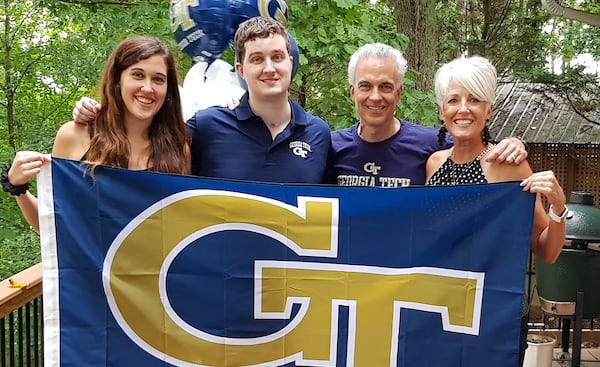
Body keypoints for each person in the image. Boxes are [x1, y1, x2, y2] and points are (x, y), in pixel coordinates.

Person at [425, 55, 566, 365]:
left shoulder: (506, 165)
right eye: (453, 100)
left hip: (494, 313)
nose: (463, 108)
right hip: (442, 306)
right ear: (441, 110)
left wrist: (558, 207)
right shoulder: (434, 164)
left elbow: (547, 249)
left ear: (488, 110)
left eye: (474, 99)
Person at [73, 17, 332, 184]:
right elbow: (145, 134)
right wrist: (98, 112)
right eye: (257, 59)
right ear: (241, 70)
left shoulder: (319, 134)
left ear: (290, 62)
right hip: (221, 269)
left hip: (289, 268)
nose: (269, 68)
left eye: (277, 57)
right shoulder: (207, 125)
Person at [1, 35, 191, 232]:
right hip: (90, 264)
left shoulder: (178, 150)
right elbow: (53, 227)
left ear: (168, 89)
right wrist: (17, 187)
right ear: (118, 80)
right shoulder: (75, 136)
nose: (147, 88)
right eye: (137, 75)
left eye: (158, 79)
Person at [331, 43, 528, 187]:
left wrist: (515, 143)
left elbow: (472, 141)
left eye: (385, 87)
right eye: (365, 86)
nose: (375, 96)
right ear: (353, 91)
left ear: (398, 93)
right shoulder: (331, 146)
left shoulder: (431, 145)